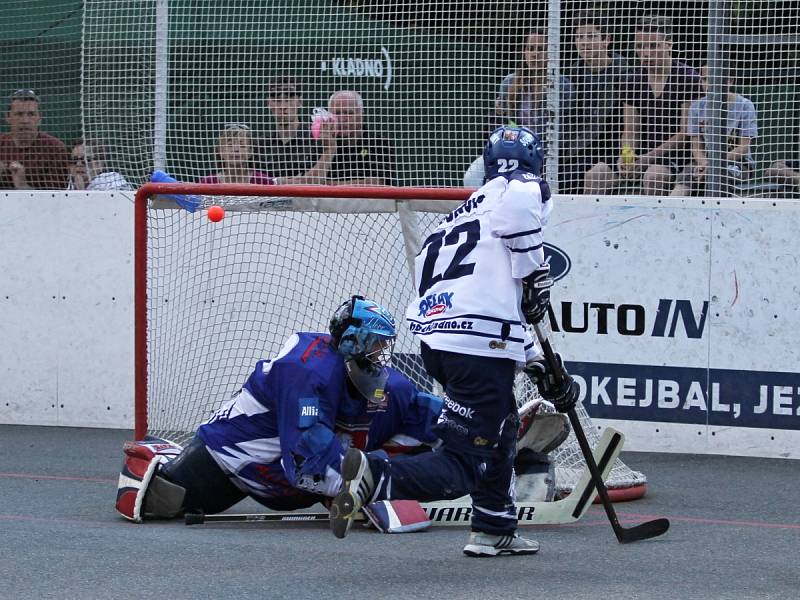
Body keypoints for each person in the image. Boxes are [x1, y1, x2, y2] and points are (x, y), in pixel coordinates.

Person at [328, 126, 580, 557]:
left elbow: (486, 292)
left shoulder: (455, 217)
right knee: (466, 462)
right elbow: (519, 217)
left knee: (500, 427)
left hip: (442, 341)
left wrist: (535, 360)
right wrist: (536, 274)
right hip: (478, 342)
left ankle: (494, 526)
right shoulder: (520, 186)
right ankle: (376, 476)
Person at [116, 296, 443, 523]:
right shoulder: (305, 373)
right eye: (377, 344)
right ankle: (161, 459)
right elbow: (303, 466)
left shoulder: (377, 380)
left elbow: (426, 412)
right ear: (355, 343)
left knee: (409, 405)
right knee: (161, 500)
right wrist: (379, 482)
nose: (382, 353)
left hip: (294, 469)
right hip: (238, 462)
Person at [618, 15, 703, 195]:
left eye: (653, 46)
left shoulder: (689, 78)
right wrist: (627, 154)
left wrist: (647, 158)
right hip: (644, 157)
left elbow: (685, 134)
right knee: (598, 173)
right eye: (640, 47)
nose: (646, 53)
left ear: (668, 45)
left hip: (681, 158)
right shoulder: (631, 80)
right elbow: (631, 129)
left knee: (653, 175)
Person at [563, 9, 631, 194]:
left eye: (591, 36)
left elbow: (630, 126)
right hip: (576, 149)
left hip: (612, 150)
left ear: (607, 39)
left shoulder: (625, 73)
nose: (584, 43)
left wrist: (627, 156)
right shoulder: (570, 75)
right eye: (579, 37)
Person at [671, 66, 757, 196]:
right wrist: (705, 162)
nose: (708, 85)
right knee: (685, 177)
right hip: (703, 162)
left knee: (716, 177)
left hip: (737, 163)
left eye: (714, 79)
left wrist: (714, 164)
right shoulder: (696, 107)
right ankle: (669, 213)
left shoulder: (745, 106)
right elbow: (696, 147)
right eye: (705, 79)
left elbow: (744, 147)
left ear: (729, 81)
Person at [495, 30, 573, 159]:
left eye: (541, 49)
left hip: (551, 154)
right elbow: (507, 122)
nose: (534, 54)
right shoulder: (509, 82)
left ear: (551, 53)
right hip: (516, 151)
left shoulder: (562, 85)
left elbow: (568, 126)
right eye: (530, 49)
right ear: (524, 52)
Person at [0, 88, 69, 189]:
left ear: (40, 118)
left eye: (31, 114)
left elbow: (56, 199)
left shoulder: (56, 149)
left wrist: (22, 184)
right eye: (19, 114)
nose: (25, 120)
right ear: (7, 117)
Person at [325, 90, 396, 186]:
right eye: (337, 113)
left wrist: (329, 185)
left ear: (361, 114)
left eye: (349, 113)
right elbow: (312, 182)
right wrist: (330, 149)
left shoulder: (379, 142)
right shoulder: (321, 143)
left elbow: (378, 183)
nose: (342, 119)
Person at [257, 76, 321, 179]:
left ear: (300, 102)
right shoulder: (259, 145)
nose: (282, 106)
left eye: (289, 97)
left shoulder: (317, 140)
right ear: (268, 103)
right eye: (276, 99)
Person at [200, 123, 274, 184]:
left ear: (250, 152)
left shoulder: (263, 181)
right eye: (230, 145)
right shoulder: (208, 182)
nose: (236, 150)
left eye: (242, 145)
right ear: (220, 151)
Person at [67, 138, 132, 190]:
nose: (79, 164)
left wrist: (81, 191)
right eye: (74, 160)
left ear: (100, 164)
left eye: (86, 160)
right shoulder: (67, 187)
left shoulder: (112, 180)